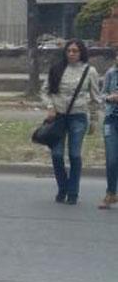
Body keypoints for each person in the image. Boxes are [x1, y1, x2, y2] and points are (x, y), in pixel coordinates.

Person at [42, 39, 100, 205]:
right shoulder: (57, 68)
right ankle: (63, 188)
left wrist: (94, 120)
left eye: (75, 51)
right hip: (58, 117)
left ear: (81, 53)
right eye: (69, 51)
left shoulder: (89, 71)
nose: (72, 54)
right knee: (57, 154)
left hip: (78, 117)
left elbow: (95, 98)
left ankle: (73, 192)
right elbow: (45, 91)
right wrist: (50, 106)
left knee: (74, 154)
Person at [100, 60, 118, 210]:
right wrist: (109, 98)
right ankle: (111, 193)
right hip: (111, 120)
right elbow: (101, 94)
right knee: (111, 159)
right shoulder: (111, 73)